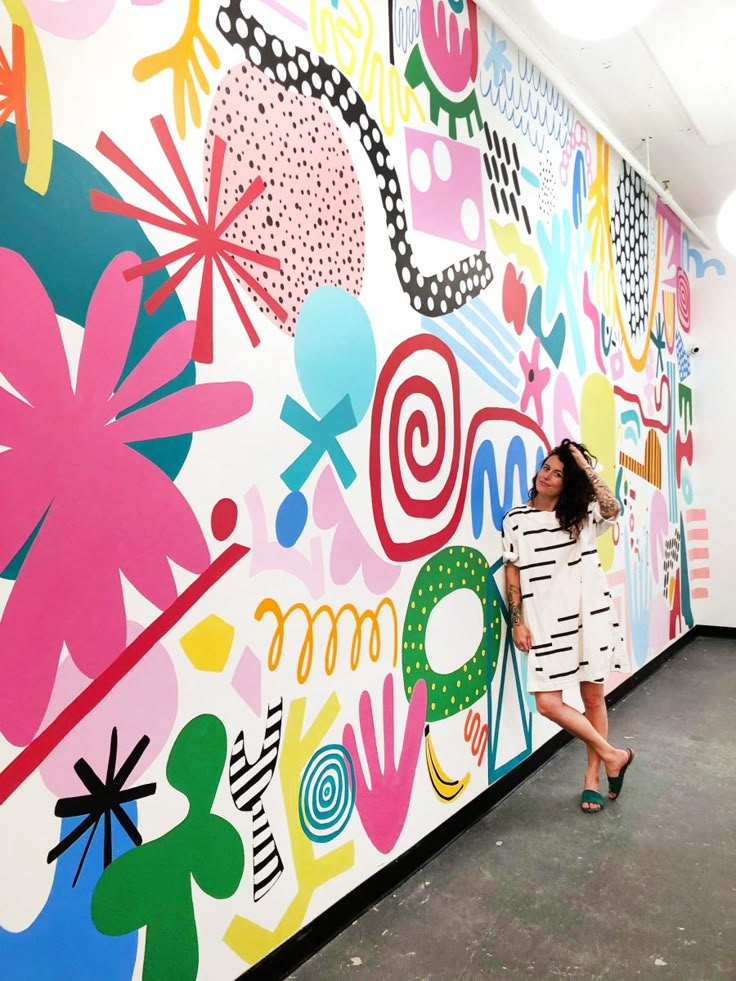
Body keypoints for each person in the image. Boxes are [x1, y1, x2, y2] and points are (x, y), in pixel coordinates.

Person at [502, 438, 634, 813]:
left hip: (588, 615)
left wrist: (582, 464)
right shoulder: (516, 518)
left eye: (559, 473)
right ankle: (613, 755)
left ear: (569, 482)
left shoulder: (583, 515)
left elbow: (613, 507)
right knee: (547, 702)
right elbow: (513, 572)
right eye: (546, 467)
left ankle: (593, 777)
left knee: (593, 697)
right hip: (543, 622)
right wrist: (517, 622)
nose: (547, 476)